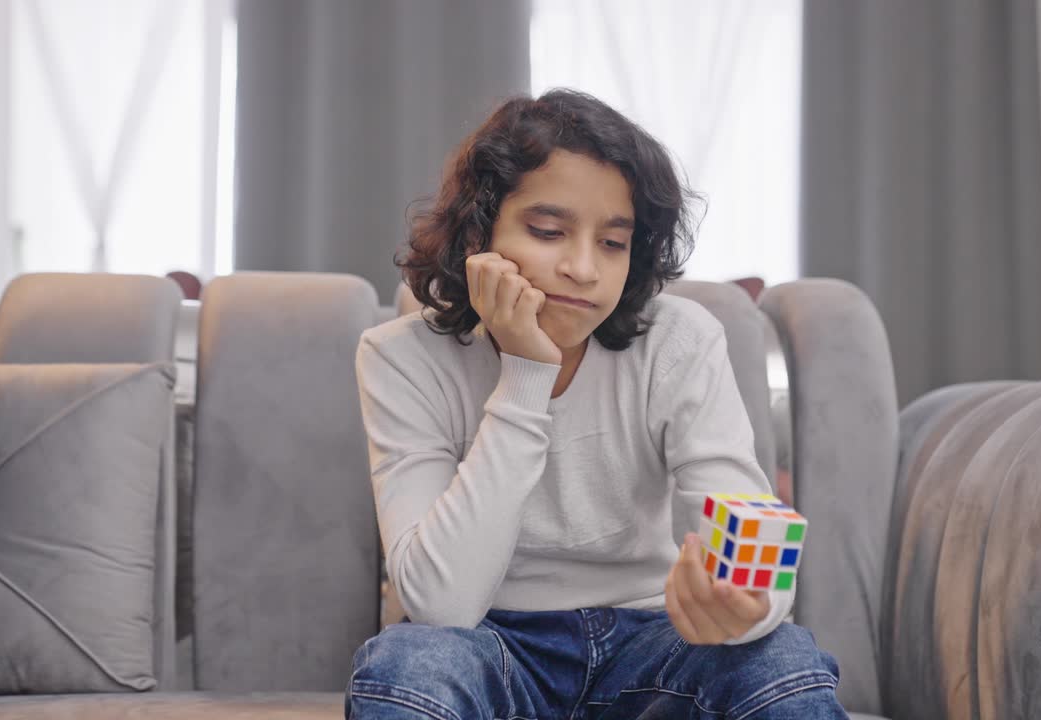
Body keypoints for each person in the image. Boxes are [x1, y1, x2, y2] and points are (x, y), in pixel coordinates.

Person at [349, 89, 847, 719]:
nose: (584, 268)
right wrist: (527, 373)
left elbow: (744, 523)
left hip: (655, 642)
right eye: (548, 231)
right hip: (489, 644)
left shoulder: (680, 341)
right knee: (409, 663)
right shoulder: (400, 358)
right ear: (479, 232)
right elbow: (442, 605)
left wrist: (747, 607)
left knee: (783, 657)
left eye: (613, 243)